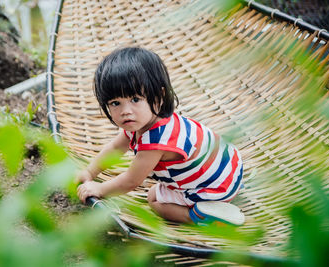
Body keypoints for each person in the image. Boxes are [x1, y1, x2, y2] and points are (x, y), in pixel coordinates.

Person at [77, 47, 245, 226]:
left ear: (159, 96)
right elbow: (115, 148)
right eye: (115, 103)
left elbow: (131, 181)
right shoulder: (142, 121)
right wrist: (90, 171)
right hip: (229, 167)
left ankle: (201, 216)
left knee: (154, 199)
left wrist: (100, 189)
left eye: (135, 99)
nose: (125, 111)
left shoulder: (157, 140)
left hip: (213, 187)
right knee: (158, 187)